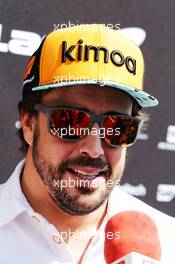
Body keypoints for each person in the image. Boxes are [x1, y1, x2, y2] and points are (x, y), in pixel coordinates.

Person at [0, 24, 174, 264]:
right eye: (70, 121)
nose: (94, 149)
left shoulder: (168, 244)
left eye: (117, 126)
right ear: (29, 124)